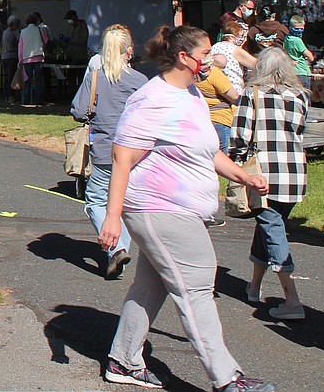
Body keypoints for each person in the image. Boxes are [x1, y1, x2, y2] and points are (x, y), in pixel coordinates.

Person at [99, 24, 274, 392]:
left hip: (177, 210)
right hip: (157, 208)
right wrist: (112, 218)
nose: (212, 60)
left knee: (151, 286)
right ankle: (226, 378)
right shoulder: (153, 99)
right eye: (206, 54)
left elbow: (209, 152)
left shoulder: (192, 94)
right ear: (184, 57)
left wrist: (244, 177)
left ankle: (123, 360)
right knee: (196, 288)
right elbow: (122, 158)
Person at [231, 48, 309, 322]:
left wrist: (235, 166)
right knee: (269, 224)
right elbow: (300, 131)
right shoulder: (301, 95)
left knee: (271, 227)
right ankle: (253, 286)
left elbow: (240, 135)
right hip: (295, 172)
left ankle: (292, 299)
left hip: (262, 172)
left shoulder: (251, 94)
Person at [71, 24, 147, 280]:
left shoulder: (95, 76)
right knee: (123, 203)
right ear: (130, 51)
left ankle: (117, 247)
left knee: (96, 200)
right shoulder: (140, 81)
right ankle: (119, 248)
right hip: (136, 152)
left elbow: (78, 111)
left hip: (105, 150)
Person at [209, 20, 257, 96]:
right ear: (231, 37)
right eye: (241, 36)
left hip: (217, 90)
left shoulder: (214, 47)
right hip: (234, 91)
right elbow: (256, 64)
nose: (243, 39)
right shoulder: (235, 50)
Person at [18, 13, 47, 106]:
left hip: (27, 59)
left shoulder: (23, 32)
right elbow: (45, 41)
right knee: (39, 81)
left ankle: (26, 100)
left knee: (27, 81)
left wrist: (20, 60)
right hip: (38, 58)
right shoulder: (40, 30)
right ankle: (39, 100)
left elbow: (20, 48)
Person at [283, 15, 315, 90]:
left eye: (301, 29)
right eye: (297, 29)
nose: (299, 31)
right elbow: (311, 57)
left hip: (291, 71)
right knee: (305, 98)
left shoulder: (287, 38)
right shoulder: (297, 40)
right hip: (301, 72)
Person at [0, 15, 21, 104]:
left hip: (4, 57)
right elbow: (10, 48)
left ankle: (6, 96)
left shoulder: (5, 32)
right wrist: (18, 48)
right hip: (11, 57)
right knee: (11, 78)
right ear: (14, 24)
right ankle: (11, 96)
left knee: (7, 77)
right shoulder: (11, 34)